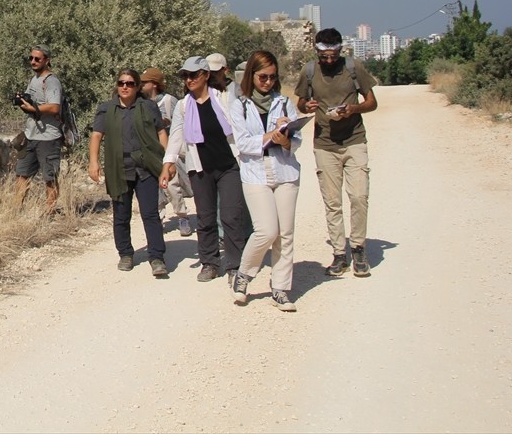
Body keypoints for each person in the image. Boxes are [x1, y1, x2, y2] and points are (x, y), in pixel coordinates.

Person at [295, 28, 379, 277]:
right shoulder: (309, 71)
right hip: (325, 144)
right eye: (324, 56)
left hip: (354, 141)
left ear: (340, 50)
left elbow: (372, 102)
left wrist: (353, 109)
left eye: (333, 55)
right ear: (317, 52)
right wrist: (306, 106)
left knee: (359, 196)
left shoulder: (354, 68)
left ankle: (359, 248)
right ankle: (339, 254)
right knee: (332, 202)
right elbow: (300, 103)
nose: (329, 61)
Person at [161, 56, 248, 283]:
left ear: (206, 75)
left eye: (194, 75)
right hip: (200, 168)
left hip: (229, 165)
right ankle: (209, 262)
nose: (189, 80)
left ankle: (235, 264)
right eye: (185, 76)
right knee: (206, 217)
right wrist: (168, 163)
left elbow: (240, 126)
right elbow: (176, 135)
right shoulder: (183, 106)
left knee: (231, 216)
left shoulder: (225, 99)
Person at [229, 51, 302, 312]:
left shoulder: (284, 103)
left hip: (285, 172)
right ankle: (245, 274)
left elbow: (297, 140)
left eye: (272, 77)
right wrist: (272, 135)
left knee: (285, 233)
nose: (268, 82)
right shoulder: (240, 104)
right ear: (251, 75)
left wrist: (287, 139)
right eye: (262, 77)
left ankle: (281, 288)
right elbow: (244, 143)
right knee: (266, 230)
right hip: (255, 173)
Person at [88, 68, 170, 277]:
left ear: (137, 86)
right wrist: (93, 162)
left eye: (130, 83)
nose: (125, 87)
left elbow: (161, 132)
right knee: (121, 215)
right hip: (119, 168)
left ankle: (156, 257)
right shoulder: (106, 109)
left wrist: (167, 162)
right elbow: (97, 135)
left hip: (146, 167)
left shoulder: (148, 107)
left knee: (150, 214)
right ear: (117, 86)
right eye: (121, 83)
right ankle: (125, 253)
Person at [141, 67, 193, 238]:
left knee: (172, 186)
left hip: (169, 151)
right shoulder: (141, 102)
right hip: (150, 153)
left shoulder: (170, 101)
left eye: (144, 82)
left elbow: (180, 124)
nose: (141, 86)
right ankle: (159, 218)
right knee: (154, 189)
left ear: (154, 84)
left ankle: (182, 216)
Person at [14, 45, 64, 214]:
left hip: (48, 137)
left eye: (37, 59)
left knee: (49, 177)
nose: (33, 62)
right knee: (22, 173)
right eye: (31, 58)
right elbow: (30, 102)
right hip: (31, 135)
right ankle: (16, 210)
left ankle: (49, 212)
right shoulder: (34, 79)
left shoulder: (51, 81)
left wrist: (34, 108)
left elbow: (55, 107)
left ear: (47, 60)